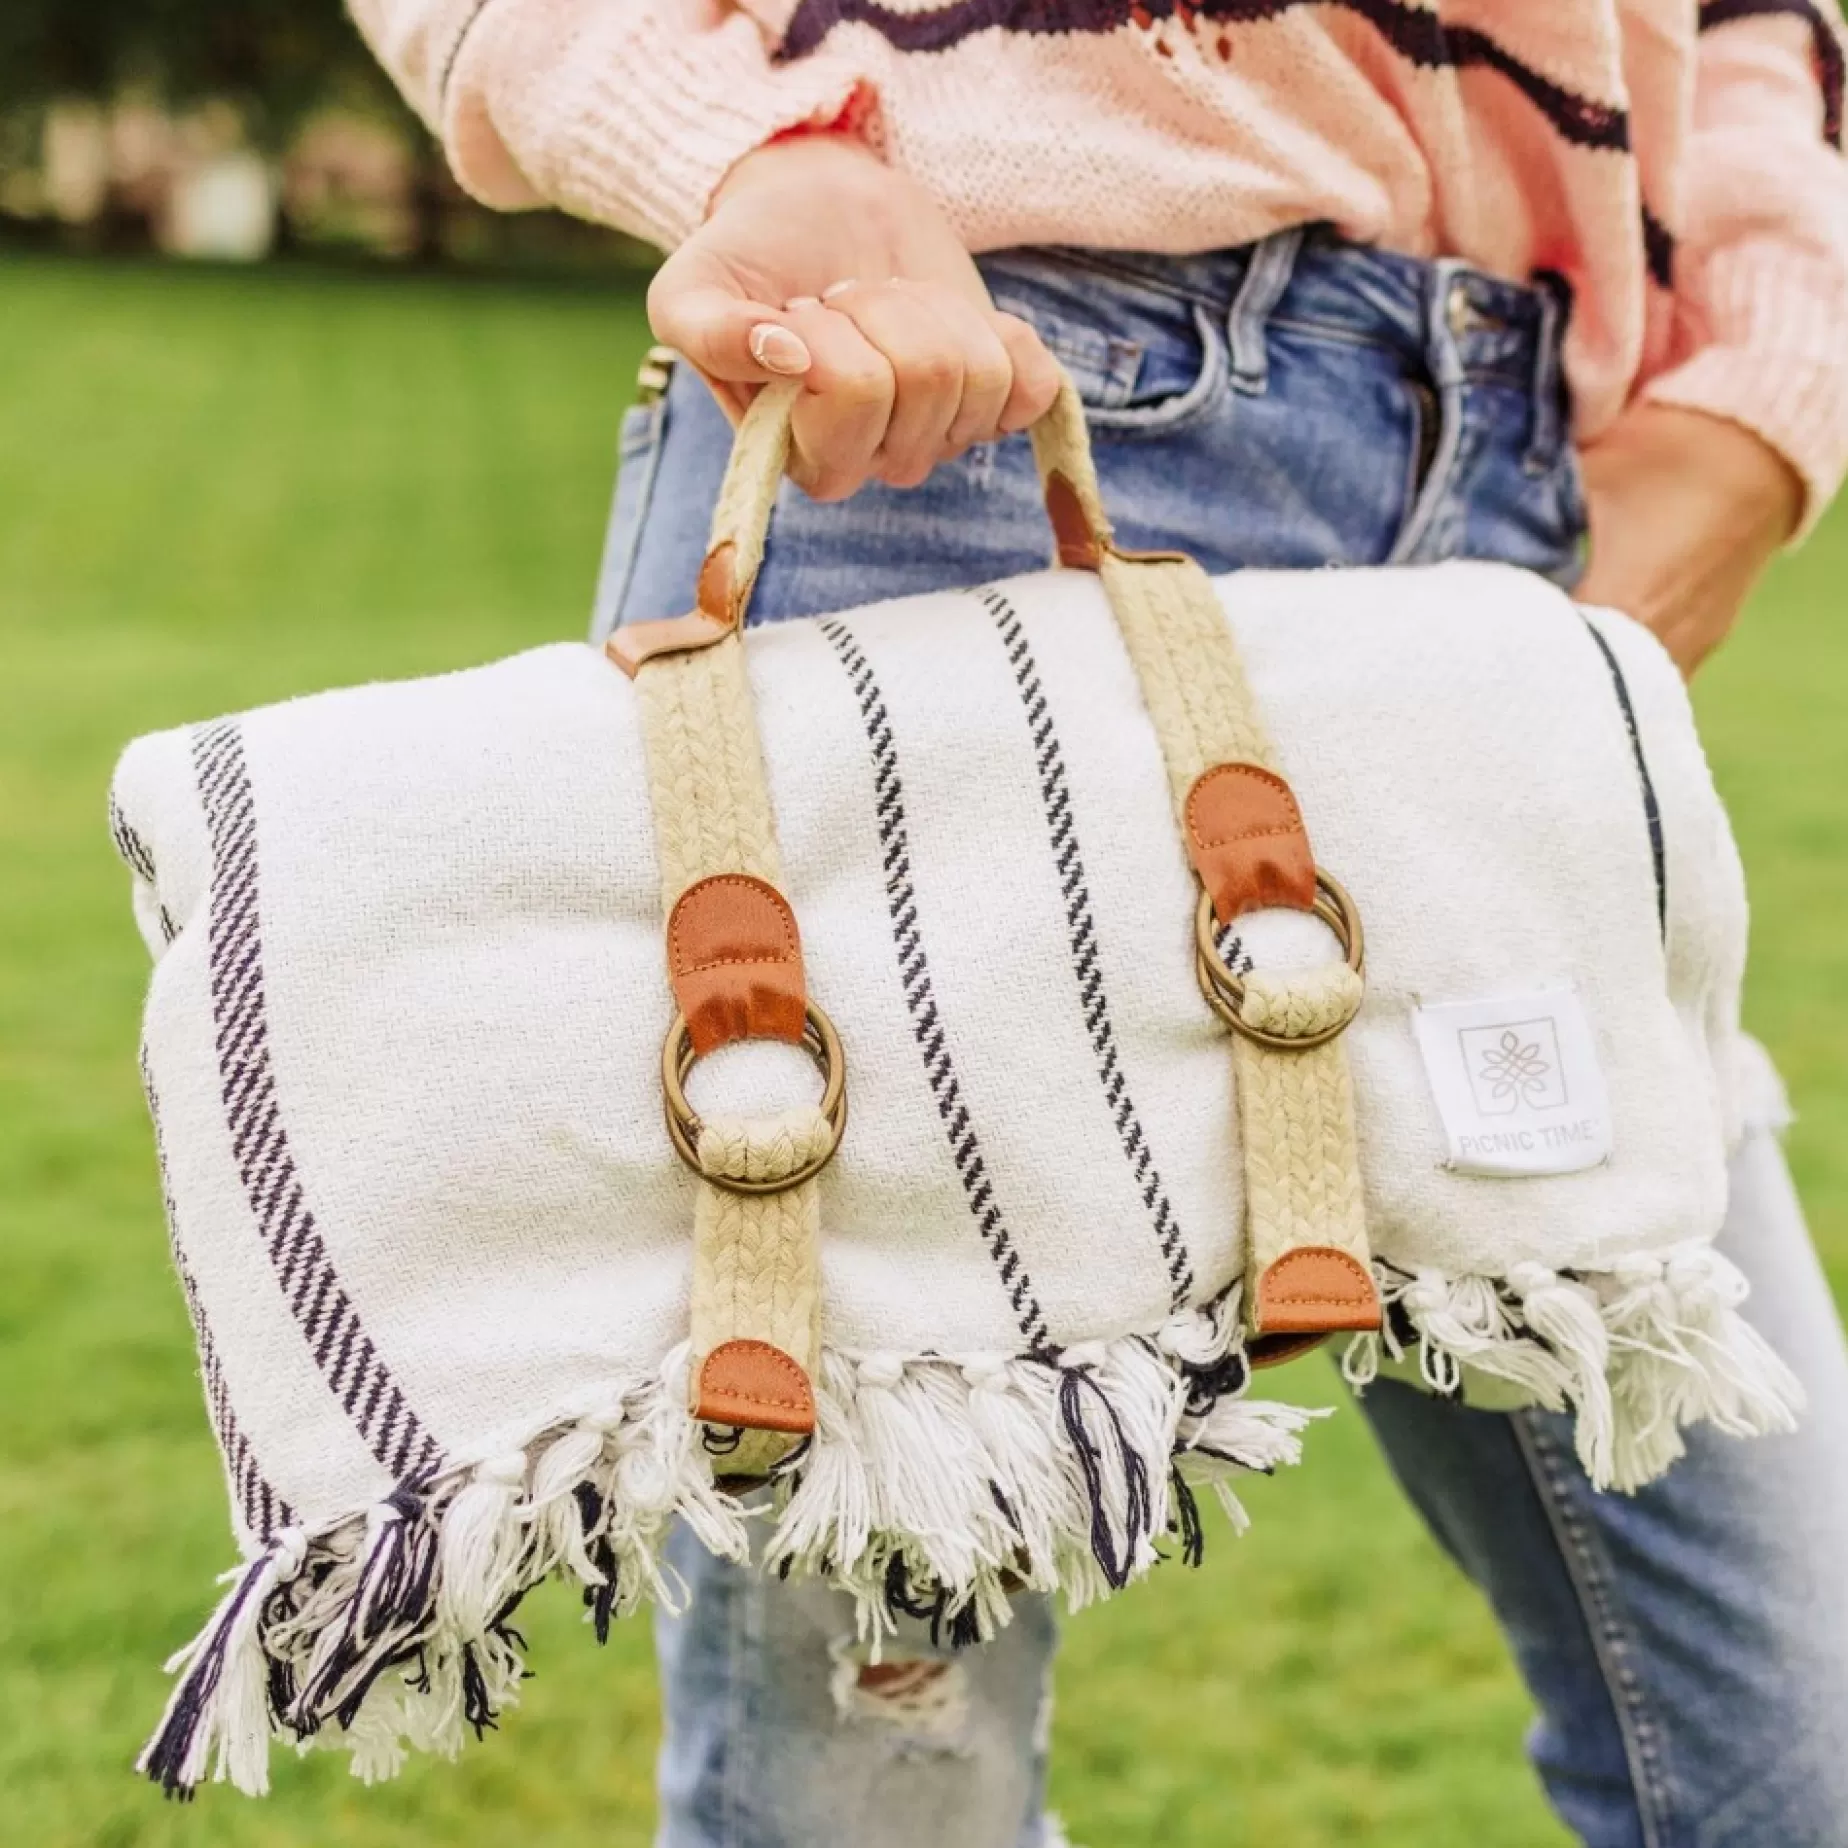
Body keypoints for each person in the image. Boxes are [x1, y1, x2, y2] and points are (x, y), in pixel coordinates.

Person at [353, 4, 1848, 1842]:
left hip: (1500, 501)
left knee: (1804, 1748)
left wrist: (1764, 402)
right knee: (884, 1795)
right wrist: (752, 142)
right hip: (927, 430)